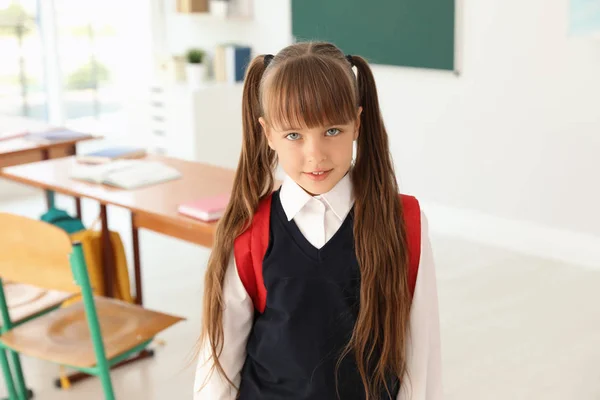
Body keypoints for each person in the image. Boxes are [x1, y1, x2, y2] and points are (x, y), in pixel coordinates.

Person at [194, 41, 442, 400]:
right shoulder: (250, 229)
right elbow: (220, 358)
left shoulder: (404, 222)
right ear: (268, 134)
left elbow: (422, 358)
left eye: (332, 131)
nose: (315, 155)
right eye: (294, 135)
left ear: (357, 124)